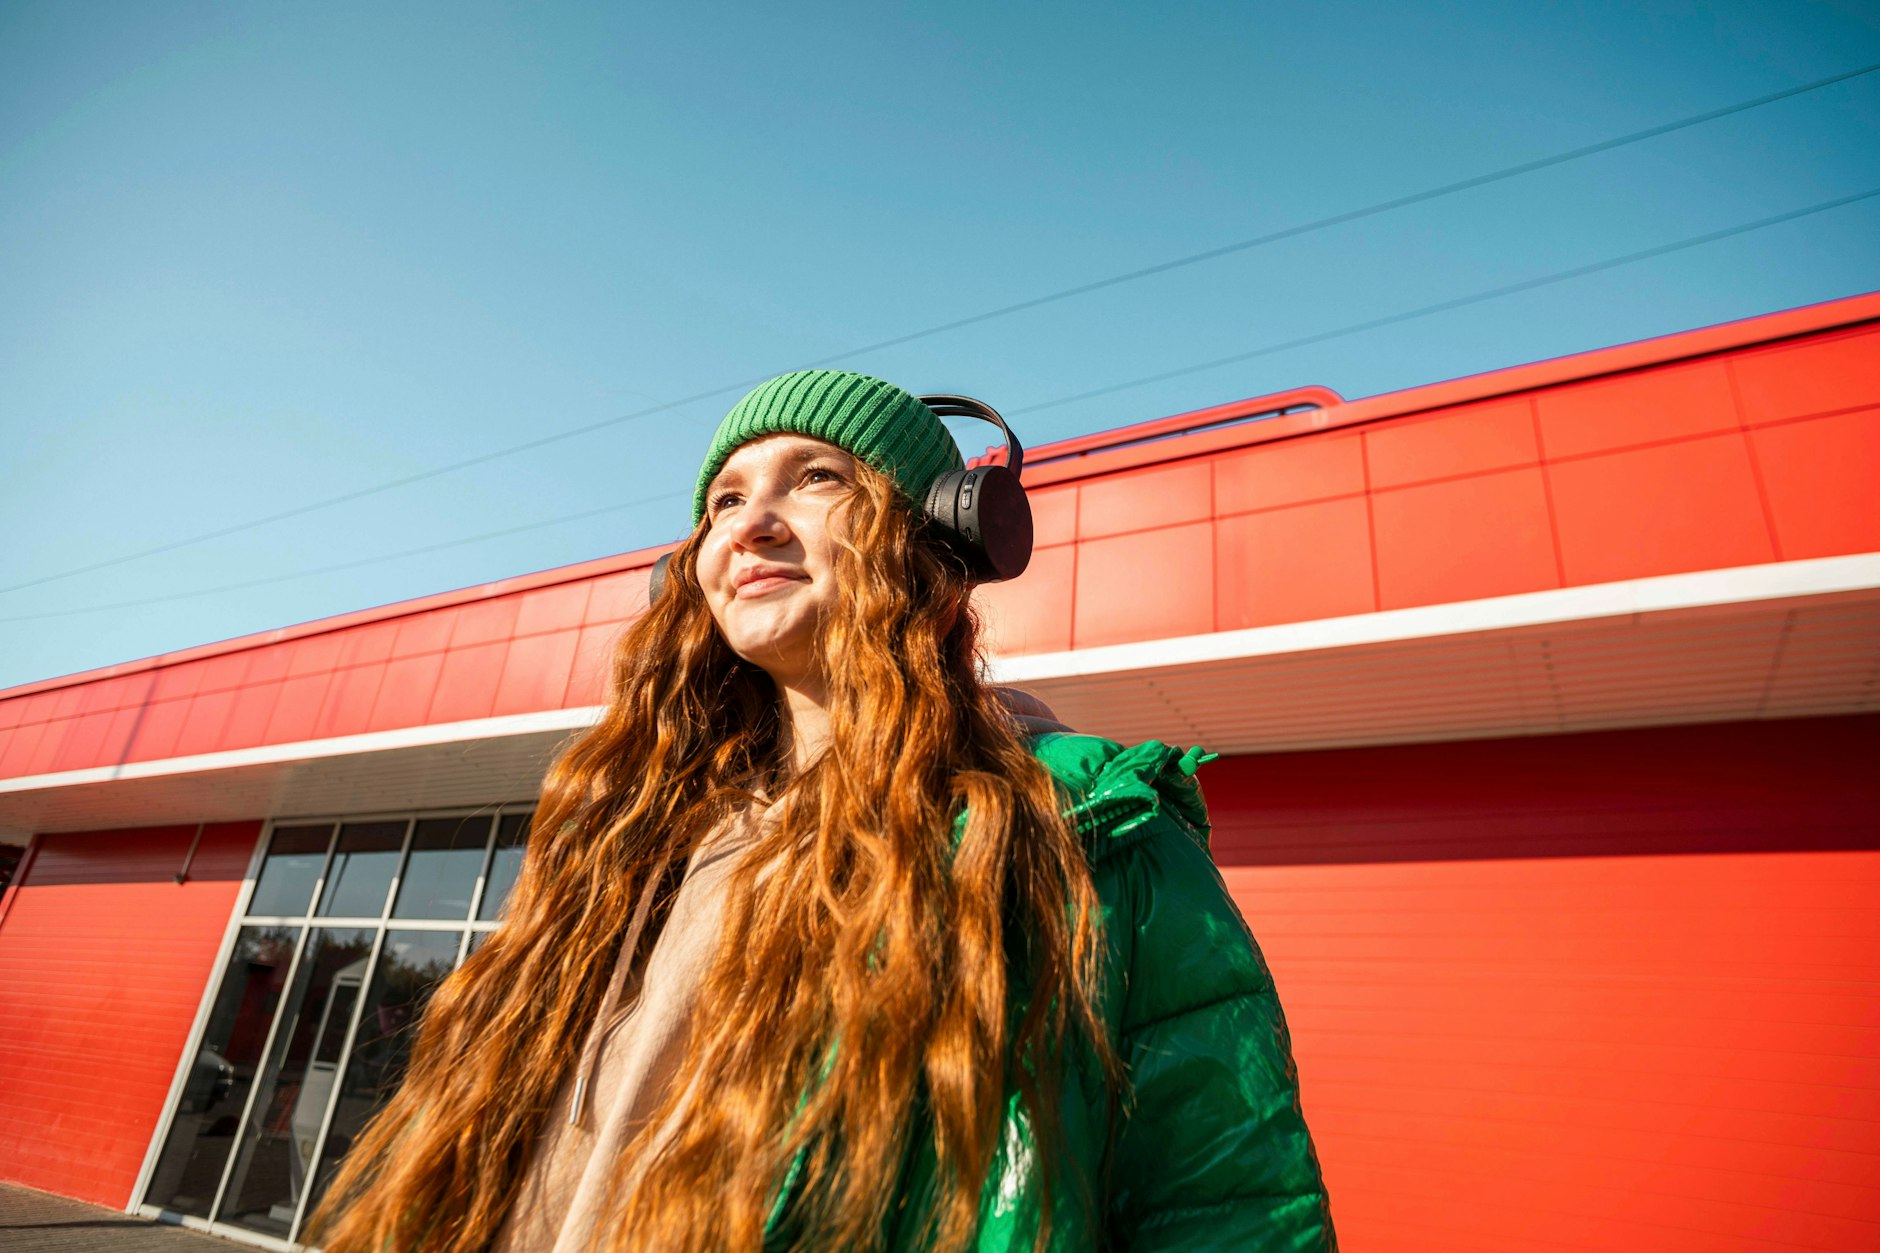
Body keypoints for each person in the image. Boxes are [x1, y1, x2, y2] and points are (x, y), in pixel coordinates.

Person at [303, 370, 1335, 1252]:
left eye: (816, 479)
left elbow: (1223, 1202)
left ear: (932, 538)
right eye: (722, 499)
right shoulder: (633, 837)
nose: (750, 521)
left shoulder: (1089, 829)